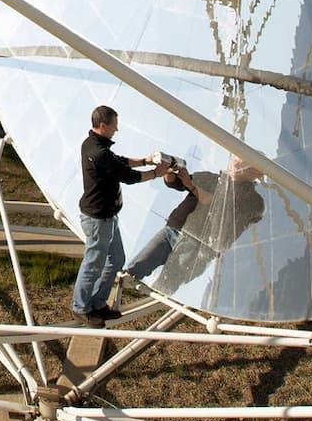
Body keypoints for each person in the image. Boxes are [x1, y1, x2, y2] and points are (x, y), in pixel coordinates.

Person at [74, 104, 165, 326]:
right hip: (97, 219)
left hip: (107, 217)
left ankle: (98, 303)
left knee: (116, 259)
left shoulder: (95, 145)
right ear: (103, 126)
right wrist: (155, 173)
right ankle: (81, 307)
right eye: (114, 125)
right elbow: (129, 176)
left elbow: (120, 161)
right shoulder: (97, 152)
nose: (117, 129)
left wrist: (145, 161)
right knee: (93, 263)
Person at [119, 160, 264, 296]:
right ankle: (116, 295)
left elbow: (219, 204)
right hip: (173, 230)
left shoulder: (253, 200)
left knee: (165, 286)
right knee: (136, 268)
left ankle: (151, 309)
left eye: (245, 163)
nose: (237, 164)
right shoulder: (210, 178)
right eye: (236, 159)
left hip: (198, 244)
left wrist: (192, 186)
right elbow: (177, 183)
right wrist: (169, 172)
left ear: (257, 173)